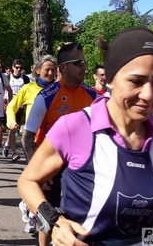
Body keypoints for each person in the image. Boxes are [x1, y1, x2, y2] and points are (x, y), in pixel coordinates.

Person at [17, 28, 153, 246]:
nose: (149, 94)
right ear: (111, 79)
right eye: (136, 81)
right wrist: (55, 221)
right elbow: (28, 181)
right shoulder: (76, 126)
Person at [21, 42, 97, 245]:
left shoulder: (92, 95)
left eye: (84, 62)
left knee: (80, 215)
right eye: (78, 62)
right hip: (51, 164)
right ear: (63, 67)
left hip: (81, 165)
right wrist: (37, 172)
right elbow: (27, 137)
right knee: (50, 215)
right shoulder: (46, 96)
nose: (84, 66)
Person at [5, 54, 57, 233]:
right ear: (37, 70)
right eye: (47, 70)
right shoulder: (28, 89)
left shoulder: (60, 90)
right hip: (33, 142)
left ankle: (26, 205)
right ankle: (34, 218)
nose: (50, 73)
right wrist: (11, 122)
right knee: (40, 180)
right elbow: (12, 106)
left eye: (53, 70)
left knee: (49, 183)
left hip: (55, 143)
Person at [2, 59, 30, 160]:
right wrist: (4, 102)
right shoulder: (7, 77)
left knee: (14, 129)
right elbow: (3, 90)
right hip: (9, 107)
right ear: (12, 67)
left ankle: (6, 144)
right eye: (16, 67)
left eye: (20, 68)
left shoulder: (25, 79)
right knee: (12, 128)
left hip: (20, 106)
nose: (18, 69)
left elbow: (27, 93)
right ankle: (14, 152)